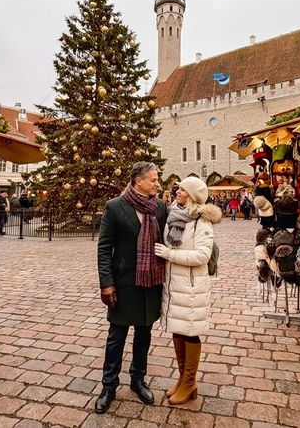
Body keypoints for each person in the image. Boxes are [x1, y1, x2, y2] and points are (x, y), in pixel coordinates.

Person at [95, 162, 168, 414]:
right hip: (124, 283)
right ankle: (109, 385)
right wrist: (106, 283)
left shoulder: (159, 207)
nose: (157, 184)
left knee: (144, 333)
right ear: (138, 181)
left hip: (150, 282)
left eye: (157, 179)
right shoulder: (115, 206)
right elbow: (105, 248)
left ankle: (138, 379)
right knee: (117, 336)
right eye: (153, 180)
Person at [154, 177, 221, 405]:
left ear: (191, 195)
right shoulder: (174, 215)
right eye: (178, 187)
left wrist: (169, 255)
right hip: (173, 285)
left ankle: (190, 382)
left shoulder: (202, 221)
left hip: (192, 286)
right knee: (178, 329)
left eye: (182, 189)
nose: (177, 190)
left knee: (190, 331)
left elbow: (202, 256)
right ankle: (183, 379)